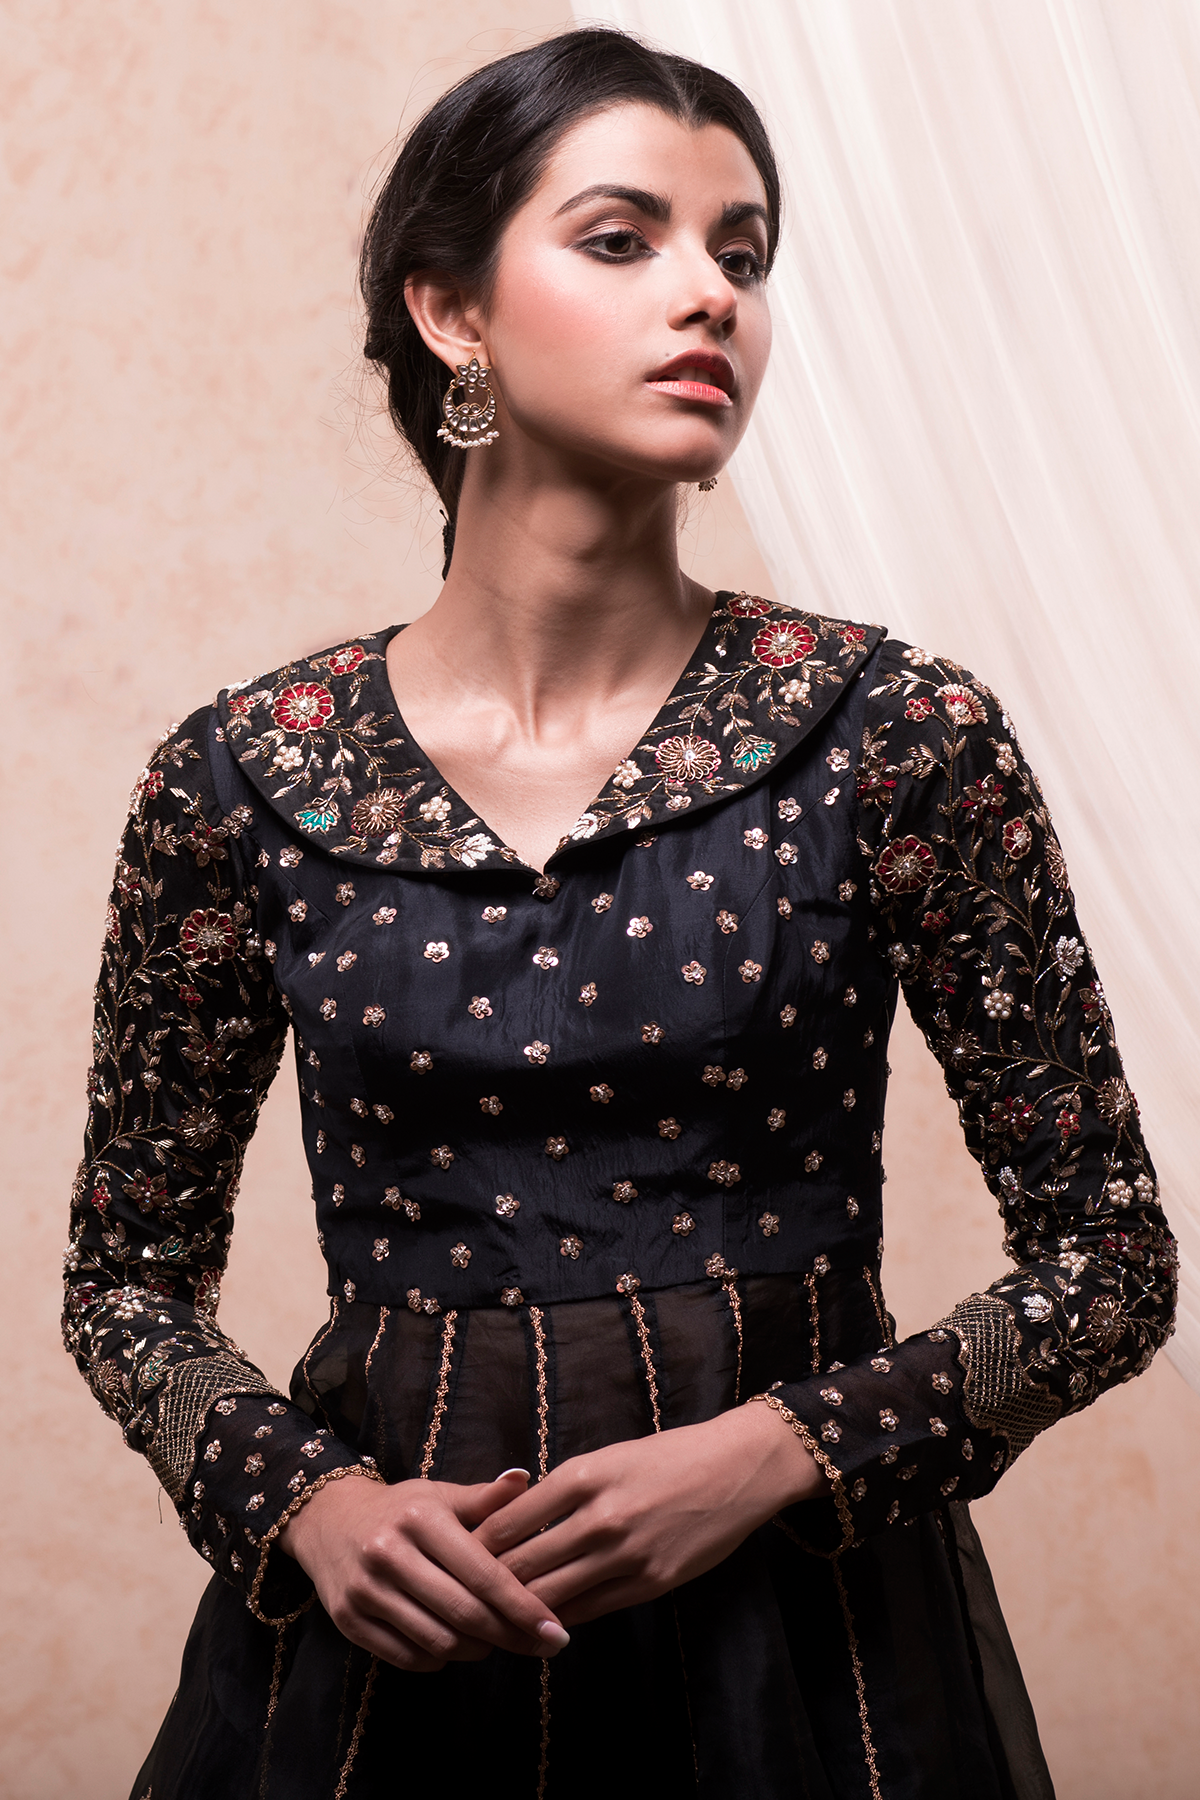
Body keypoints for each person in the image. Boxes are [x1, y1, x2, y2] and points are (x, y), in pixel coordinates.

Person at [64, 27, 1175, 1800]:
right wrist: (311, 1505)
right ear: (453, 313)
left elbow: (1112, 1264)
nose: (712, 295)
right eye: (621, 239)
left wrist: (782, 1451)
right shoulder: (242, 775)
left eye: (744, 253)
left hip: (811, 1651)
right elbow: (125, 1283)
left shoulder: (894, 733)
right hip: (385, 1658)